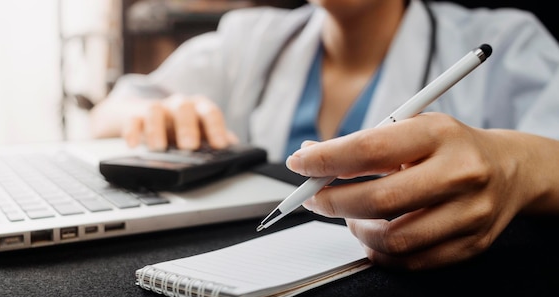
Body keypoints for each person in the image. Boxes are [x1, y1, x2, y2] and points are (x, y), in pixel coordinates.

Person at [90, 0, 559, 270]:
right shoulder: (249, 38)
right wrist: (154, 112)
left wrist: (517, 162)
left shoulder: (509, 40)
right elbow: (110, 111)